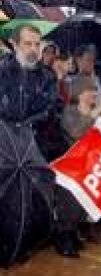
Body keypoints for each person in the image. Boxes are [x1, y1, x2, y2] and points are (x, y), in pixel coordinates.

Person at [0, 24, 59, 265]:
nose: (34, 49)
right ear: (14, 45)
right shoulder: (2, 71)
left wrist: (24, 127)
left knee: (27, 199)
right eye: (28, 44)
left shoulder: (47, 76)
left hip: (33, 147)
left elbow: (48, 109)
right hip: (3, 145)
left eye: (37, 44)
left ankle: (21, 246)